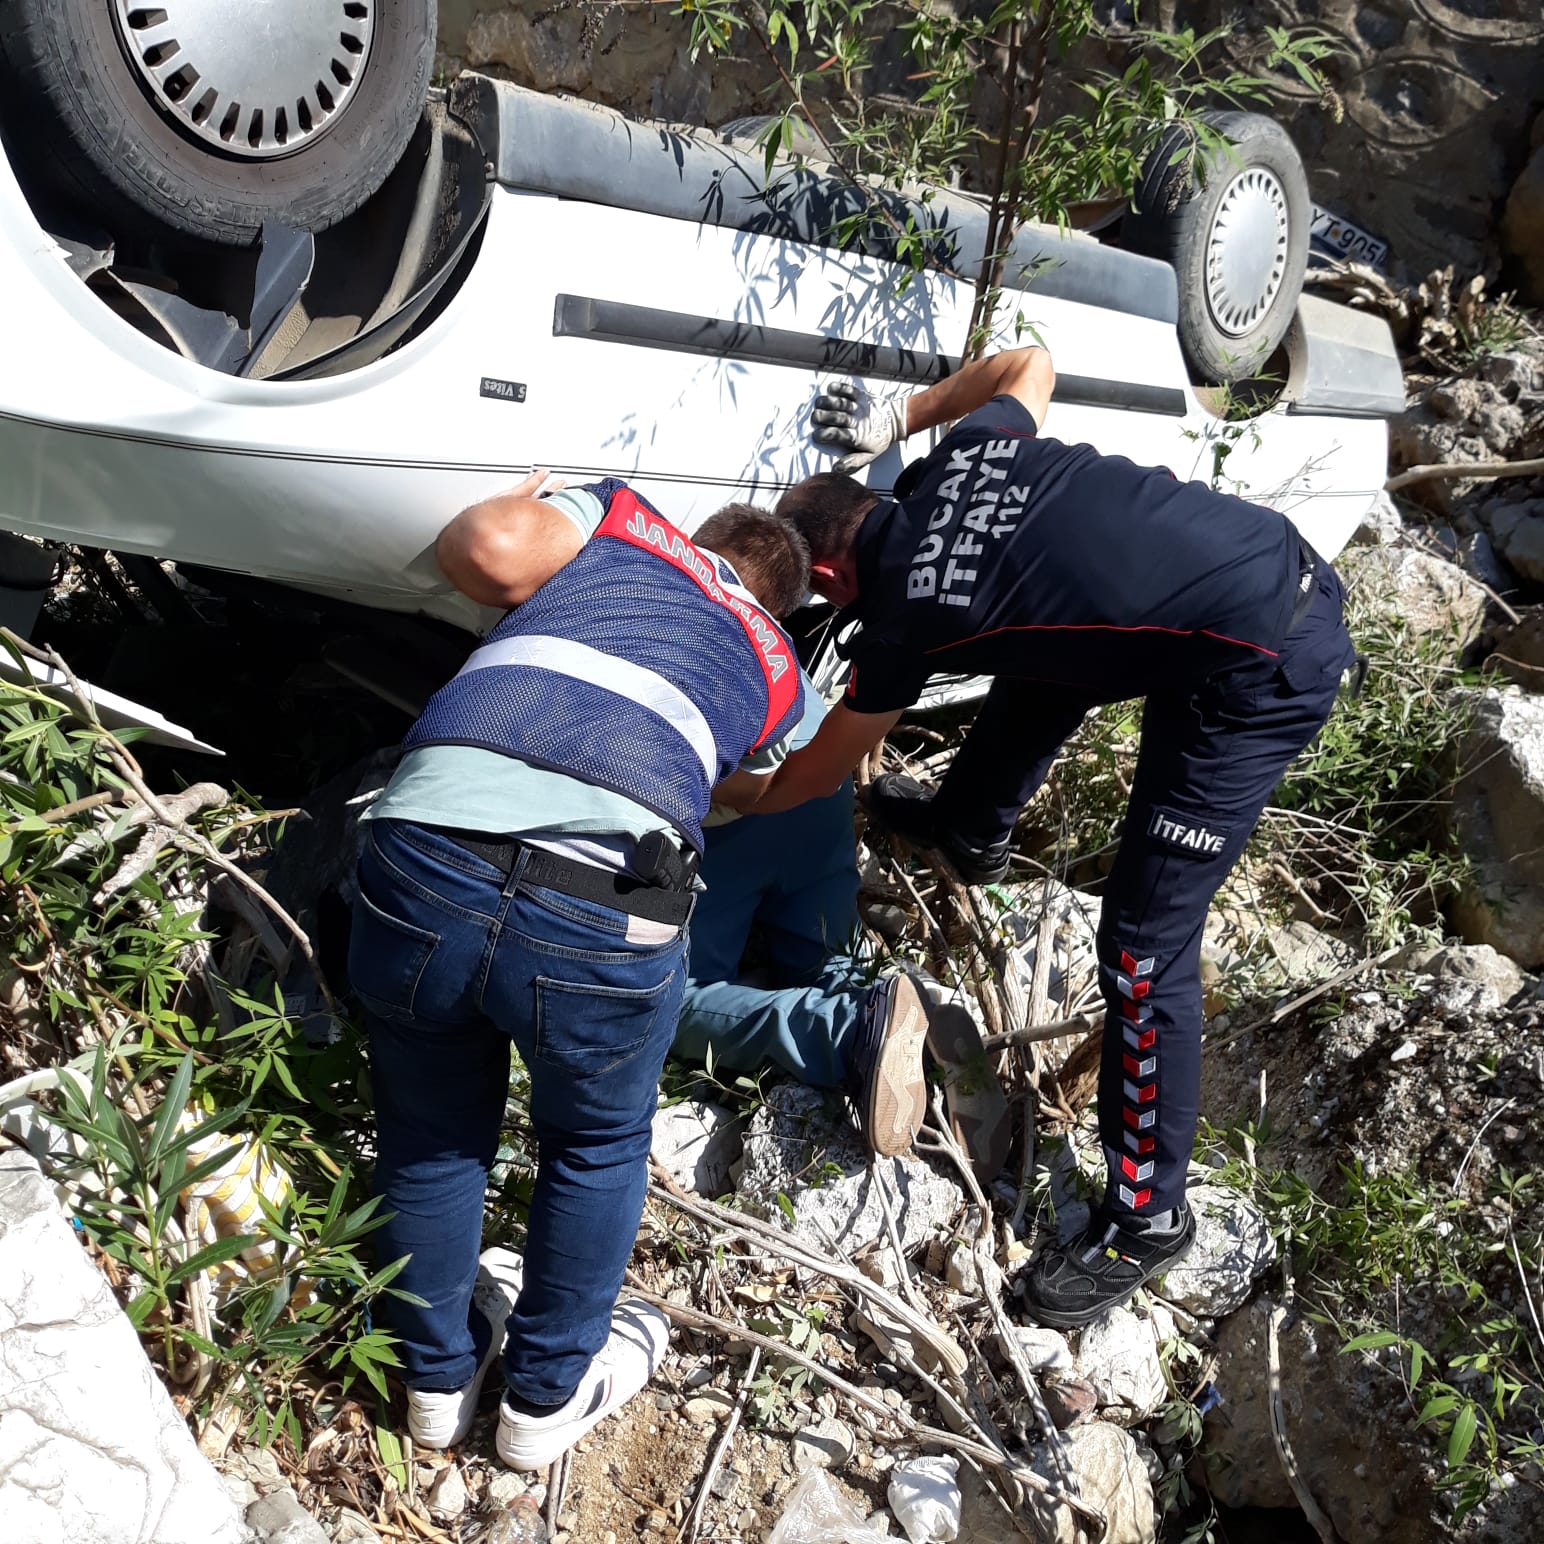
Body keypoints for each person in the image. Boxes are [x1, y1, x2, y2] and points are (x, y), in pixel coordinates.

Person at [753, 348, 1356, 1327]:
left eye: (820, 598)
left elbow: (824, 764)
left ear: (828, 571)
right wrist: (899, 416)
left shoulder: (901, 610)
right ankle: (969, 823)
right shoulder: (966, 456)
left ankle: (1147, 1217)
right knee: (1040, 637)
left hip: (1261, 661)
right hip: (1244, 568)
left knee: (1142, 944)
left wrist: (733, 799)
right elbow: (1026, 366)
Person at [350, 472, 887, 1469]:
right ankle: (544, 1398)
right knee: (594, 1139)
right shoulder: (773, 660)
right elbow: (772, 786)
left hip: (427, 837)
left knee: (429, 1125)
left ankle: (432, 1382)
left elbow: (491, 547)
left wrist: (529, 493)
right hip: (607, 887)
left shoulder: (622, 522)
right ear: (783, 602)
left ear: (694, 537)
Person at [671, 679, 1008, 1173]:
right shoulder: (748, 603)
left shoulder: (601, 607)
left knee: (664, 997)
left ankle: (851, 1034)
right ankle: (914, 1000)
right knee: (828, 957)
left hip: (736, 798)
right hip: (818, 763)